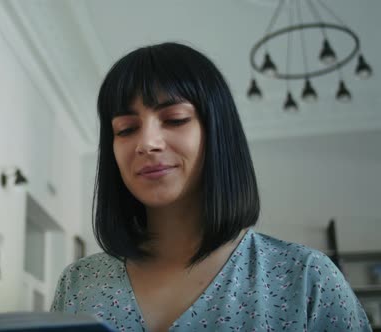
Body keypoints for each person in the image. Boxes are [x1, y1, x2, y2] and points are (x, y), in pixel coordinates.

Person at [50, 42, 371, 331]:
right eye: (126, 128)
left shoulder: (305, 278)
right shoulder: (78, 285)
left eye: (175, 119)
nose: (147, 143)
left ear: (217, 133)